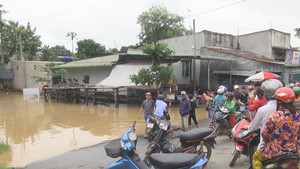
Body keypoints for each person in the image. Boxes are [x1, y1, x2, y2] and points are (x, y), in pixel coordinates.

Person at [252, 87, 300, 169]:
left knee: (256, 157)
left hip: (273, 151)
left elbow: (265, 135)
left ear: (279, 102)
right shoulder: (298, 116)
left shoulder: (275, 116)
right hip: (294, 151)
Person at [243, 79, 283, 169]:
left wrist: (248, 127)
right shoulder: (291, 111)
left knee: (255, 161)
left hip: (267, 148)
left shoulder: (265, 110)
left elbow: (255, 127)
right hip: (291, 150)